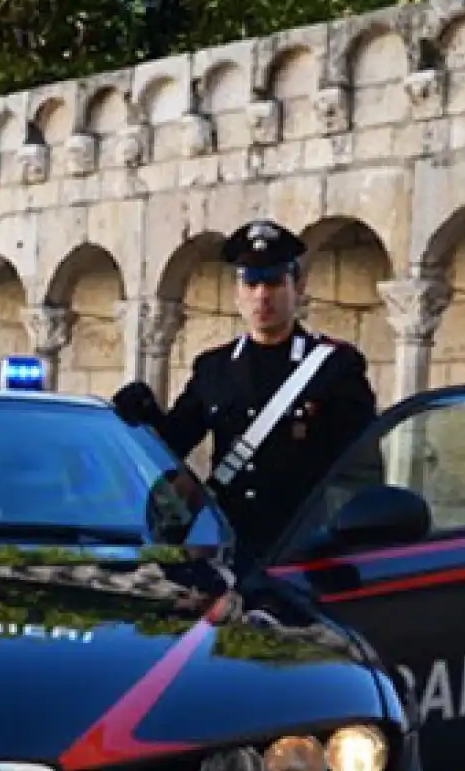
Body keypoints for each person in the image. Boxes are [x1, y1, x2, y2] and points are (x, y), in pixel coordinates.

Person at [120, 219, 379, 566]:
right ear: (237, 292)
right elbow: (174, 442)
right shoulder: (215, 367)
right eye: (251, 283)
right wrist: (144, 415)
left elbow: (359, 468)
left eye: (273, 282)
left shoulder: (335, 367)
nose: (262, 296)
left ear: (296, 287)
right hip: (228, 549)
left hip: (301, 553)